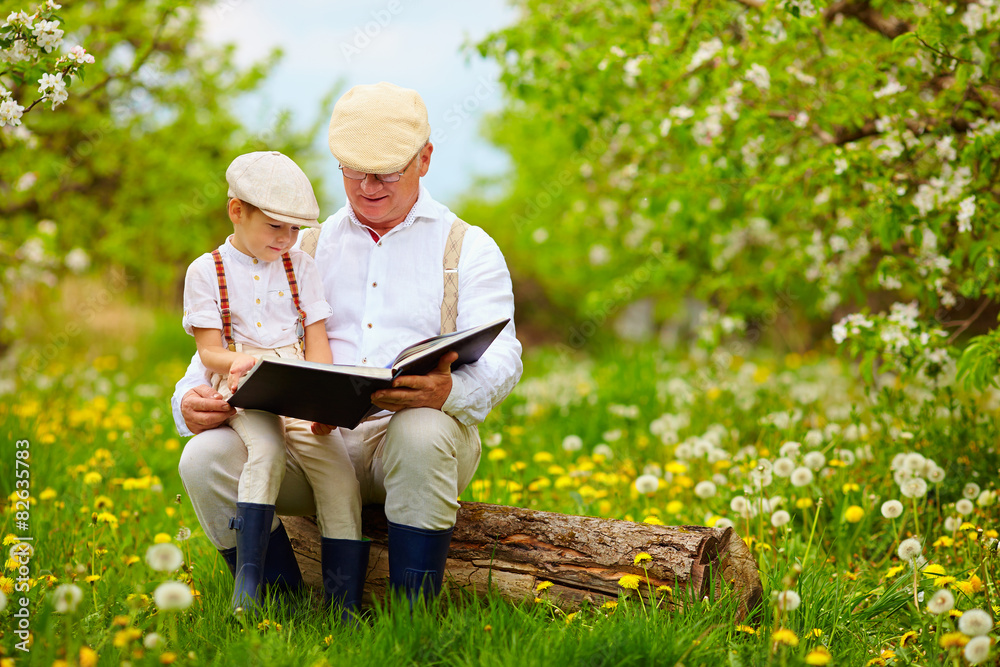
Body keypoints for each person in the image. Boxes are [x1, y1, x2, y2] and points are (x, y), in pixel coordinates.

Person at [172, 82, 523, 609]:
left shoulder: (467, 247)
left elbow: (504, 356)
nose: (367, 186)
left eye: (385, 172)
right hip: (307, 442)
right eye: (353, 170)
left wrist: (443, 392)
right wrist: (189, 401)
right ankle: (280, 613)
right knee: (203, 458)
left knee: (423, 430)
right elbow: (225, 339)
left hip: (407, 447)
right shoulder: (298, 244)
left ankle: (412, 617)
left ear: (424, 159)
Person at [181, 151, 363, 615]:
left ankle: (344, 603)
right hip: (249, 385)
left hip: (298, 378)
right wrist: (240, 363)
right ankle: (253, 584)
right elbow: (209, 351)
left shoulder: (300, 266)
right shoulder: (208, 271)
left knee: (338, 475)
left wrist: (322, 394)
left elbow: (316, 338)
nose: (286, 240)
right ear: (236, 211)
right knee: (264, 454)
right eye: (274, 227)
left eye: (295, 229)